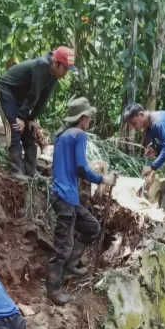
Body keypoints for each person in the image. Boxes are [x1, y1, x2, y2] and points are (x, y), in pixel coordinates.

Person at [48, 97, 117, 306]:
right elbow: (81, 169)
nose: (89, 121)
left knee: (91, 227)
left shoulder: (63, 136)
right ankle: (53, 290)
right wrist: (104, 179)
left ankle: (71, 264)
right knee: (62, 246)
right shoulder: (79, 135)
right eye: (89, 117)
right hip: (65, 196)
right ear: (83, 118)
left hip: (67, 197)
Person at [0, 47, 78, 181]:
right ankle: (15, 170)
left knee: (29, 132)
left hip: (20, 99)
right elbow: (34, 93)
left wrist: (32, 118)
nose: (66, 74)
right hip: (5, 92)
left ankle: (31, 171)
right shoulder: (42, 65)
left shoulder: (53, 75)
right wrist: (21, 117)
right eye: (65, 69)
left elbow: (43, 99)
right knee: (15, 128)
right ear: (56, 63)